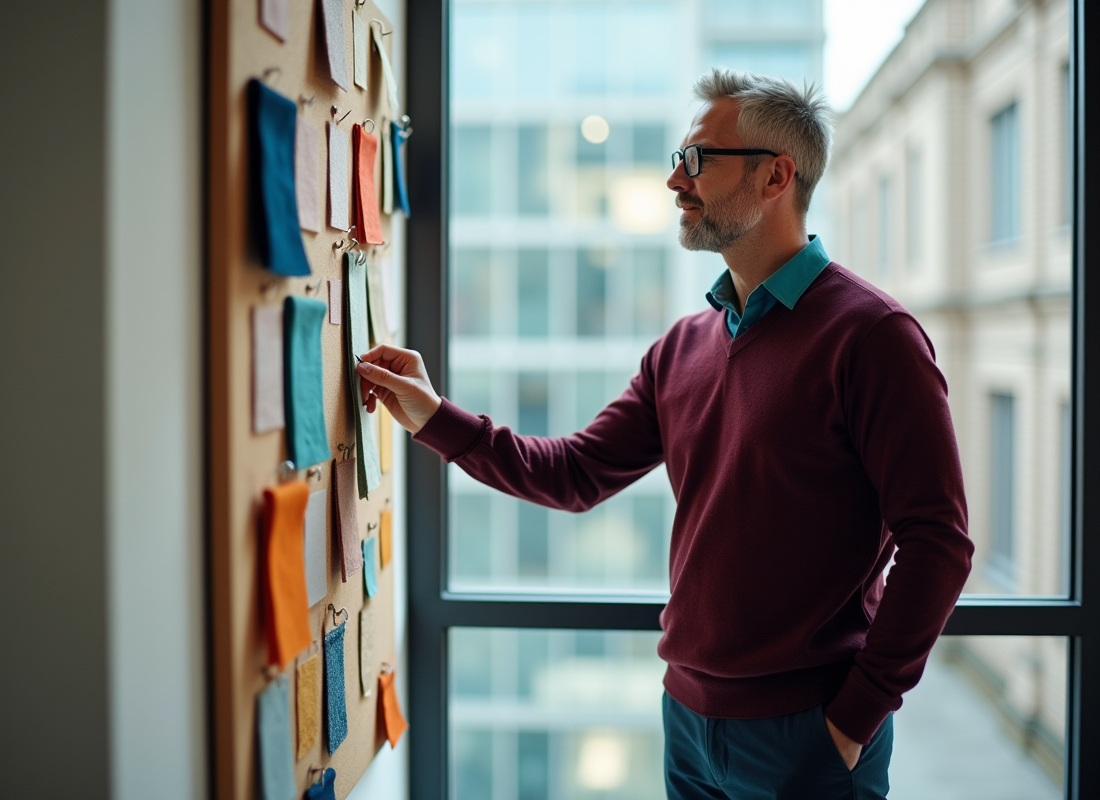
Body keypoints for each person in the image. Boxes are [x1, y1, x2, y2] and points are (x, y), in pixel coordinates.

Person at [355, 68, 973, 799]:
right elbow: (574, 473)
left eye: (698, 160)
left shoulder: (873, 336)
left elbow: (938, 542)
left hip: (809, 734)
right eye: (678, 159)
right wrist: (433, 414)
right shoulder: (683, 347)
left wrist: (854, 719)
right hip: (687, 722)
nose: (676, 181)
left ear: (777, 177)